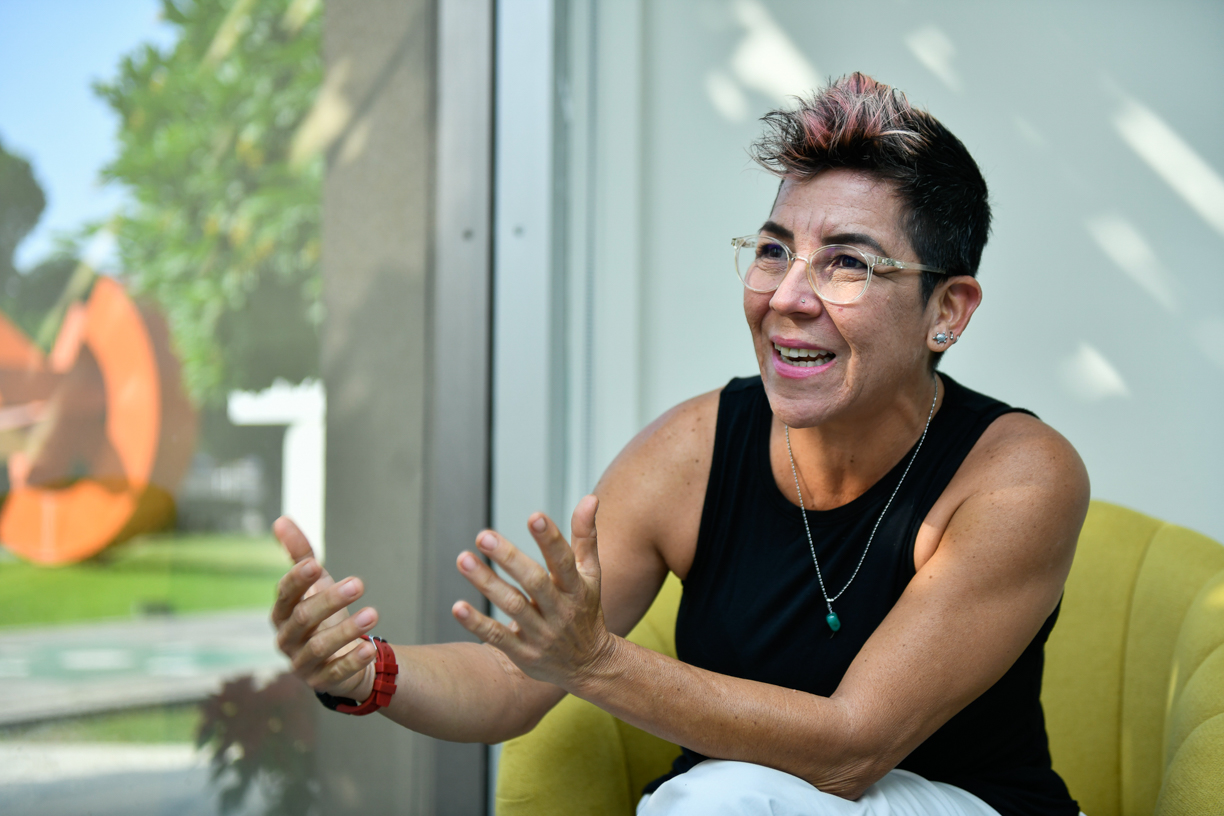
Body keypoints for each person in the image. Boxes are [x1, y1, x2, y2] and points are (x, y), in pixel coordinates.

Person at [271, 73, 1089, 816]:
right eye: (774, 251)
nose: (788, 296)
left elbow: (852, 749)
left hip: (957, 806)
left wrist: (595, 662)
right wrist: (368, 670)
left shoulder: (1018, 475)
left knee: (717, 798)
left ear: (947, 311)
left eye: (846, 263)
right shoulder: (692, 451)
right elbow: (513, 680)